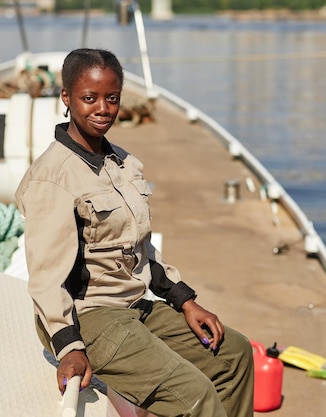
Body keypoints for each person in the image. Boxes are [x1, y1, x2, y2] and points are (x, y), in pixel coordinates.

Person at [15, 48, 254, 417]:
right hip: (89, 315)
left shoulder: (124, 164)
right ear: (66, 98)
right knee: (195, 395)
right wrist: (69, 346)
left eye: (111, 98)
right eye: (89, 98)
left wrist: (185, 301)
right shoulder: (53, 177)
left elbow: (139, 250)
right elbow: (46, 279)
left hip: (134, 306)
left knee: (234, 354)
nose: (102, 108)